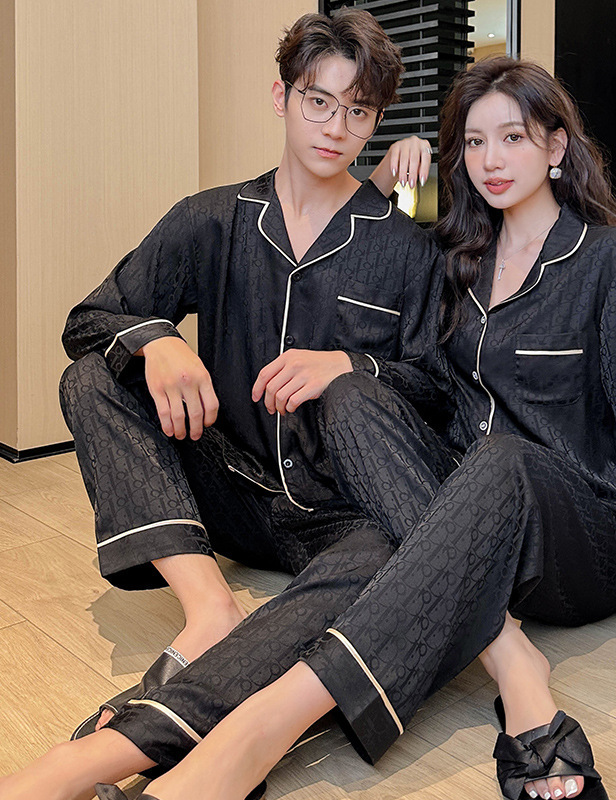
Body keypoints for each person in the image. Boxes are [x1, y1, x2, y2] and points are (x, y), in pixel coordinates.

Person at [0, 57, 616, 800]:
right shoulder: (458, 260)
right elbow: (413, 351)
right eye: (475, 142)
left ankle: (282, 726)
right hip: (466, 522)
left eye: (513, 138)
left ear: (556, 146)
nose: (492, 160)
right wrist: (382, 205)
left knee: (496, 460)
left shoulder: (609, 258)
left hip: (580, 535)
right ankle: (142, 740)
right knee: (356, 413)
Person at [55, 7, 443, 740]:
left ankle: (199, 708)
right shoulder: (212, 218)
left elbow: (436, 388)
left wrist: (352, 366)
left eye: (358, 111)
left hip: (339, 513)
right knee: (92, 378)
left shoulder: (403, 248)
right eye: (317, 101)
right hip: (228, 488)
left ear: (375, 121)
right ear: (281, 97)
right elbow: (88, 319)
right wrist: (157, 338)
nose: (335, 127)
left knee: (392, 554)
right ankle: (210, 609)